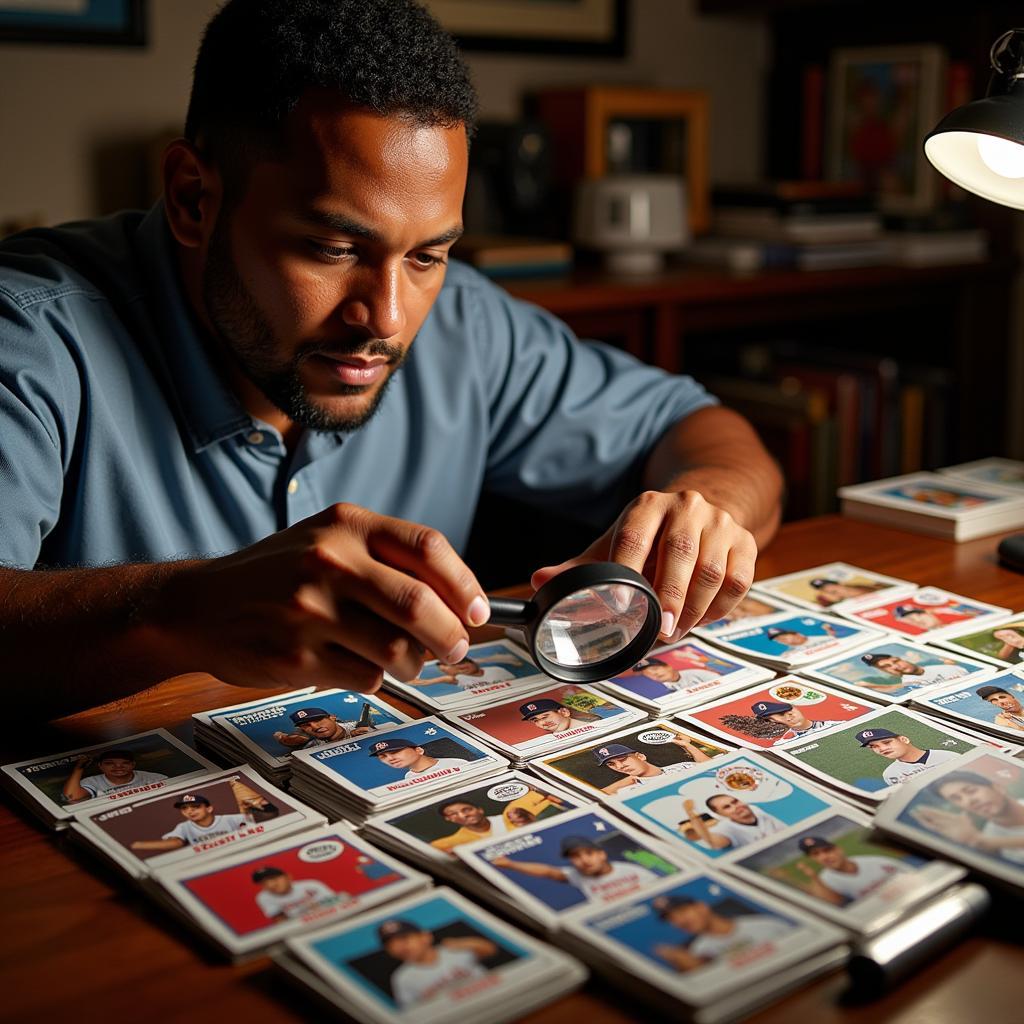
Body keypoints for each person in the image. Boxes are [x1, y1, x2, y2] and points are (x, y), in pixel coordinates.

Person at [0, 0, 782, 719]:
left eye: (428, 255)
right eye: (334, 248)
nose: (388, 318)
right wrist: (183, 612)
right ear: (193, 198)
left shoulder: (469, 323)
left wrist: (703, 512)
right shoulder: (29, 337)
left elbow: (704, 430)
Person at [489, 834, 661, 902]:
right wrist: (510, 864)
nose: (584, 860)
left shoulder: (632, 871)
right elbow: (549, 871)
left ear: (602, 854)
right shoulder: (577, 875)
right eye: (575, 856)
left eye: (588, 853)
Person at [651, 895, 791, 972]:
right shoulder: (698, 954)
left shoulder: (766, 924)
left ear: (702, 907)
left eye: (682, 912)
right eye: (671, 919)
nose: (680, 921)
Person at [377, 918, 496, 1009]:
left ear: (425, 936)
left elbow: (490, 950)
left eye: (404, 938)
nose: (399, 946)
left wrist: (466, 942)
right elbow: (411, 1013)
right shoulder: (402, 978)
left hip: (490, 1000)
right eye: (390, 944)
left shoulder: (453, 949)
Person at [912, 770, 1024, 864]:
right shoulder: (989, 838)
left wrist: (982, 841)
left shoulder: (987, 841)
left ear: (998, 787)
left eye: (971, 791)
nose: (968, 801)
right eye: (957, 799)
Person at [785, 835, 913, 905]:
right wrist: (814, 878)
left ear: (838, 849)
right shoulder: (825, 881)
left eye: (827, 850)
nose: (824, 857)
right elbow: (833, 904)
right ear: (813, 859)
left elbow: (912, 875)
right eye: (816, 854)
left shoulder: (873, 861)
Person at [429, 790, 565, 853]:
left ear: (480, 810)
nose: (462, 815)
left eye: (466, 810)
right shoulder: (447, 843)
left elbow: (550, 797)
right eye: (453, 814)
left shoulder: (514, 811)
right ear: (449, 819)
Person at [129, 792, 269, 851]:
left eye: (195, 807)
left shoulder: (229, 819)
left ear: (209, 808)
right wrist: (139, 844)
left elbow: (262, 819)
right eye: (185, 809)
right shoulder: (184, 827)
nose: (190, 811)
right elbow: (176, 842)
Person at [592, 739, 711, 795]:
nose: (619, 766)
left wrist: (687, 745)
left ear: (640, 757)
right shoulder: (630, 791)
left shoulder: (684, 766)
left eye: (622, 759)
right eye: (611, 764)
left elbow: (713, 767)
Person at [855, 727, 960, 786]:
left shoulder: (948, 756)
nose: (882, 749)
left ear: (904, 740)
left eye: (886, 742)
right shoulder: (890, 773)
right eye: (873, 746)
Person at [680, 794, 786, 850]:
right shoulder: (726, 829)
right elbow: (713, 842)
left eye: (735, 801)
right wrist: (692, 815)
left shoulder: (755, 809)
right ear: (720, 814)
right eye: (727, 807)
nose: (736, 807)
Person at [61, 748, 168, 803]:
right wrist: (79, 768)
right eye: (109, 763)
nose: (118, 767)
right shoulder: (92, 782)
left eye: (124, 763)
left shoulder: (154, 778)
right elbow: (71, 797)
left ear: (133, 765)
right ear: (100, 766)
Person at [251, 865, 336, 922]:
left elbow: (336, 902)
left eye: (273, 879)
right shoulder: (264, 897)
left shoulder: (311, 885)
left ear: (288, 877)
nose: (271, 885)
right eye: (264, 883)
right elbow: (281, 921)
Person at [858, 652, 969, 693]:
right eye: (887, 667)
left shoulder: (940, 664)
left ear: (901, 658)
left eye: (895, 661)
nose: (896, 666)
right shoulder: (909, 687)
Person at [404, 653, 523, 691]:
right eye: (454, 669)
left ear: (473, 662)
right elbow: (424, 682)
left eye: (460, 664)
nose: (460, 669)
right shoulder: (458, 678)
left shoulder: (497, 670)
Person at [272, 706, 371, 750]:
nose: (314, 727)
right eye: (306, 725)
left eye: (318, 720)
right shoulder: (309, 745)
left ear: (332, 718)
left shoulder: (356, 726)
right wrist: (281, 737)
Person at [369, 736, 469, 778]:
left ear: (419, 750)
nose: (390, 758)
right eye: (382, 756)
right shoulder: (409, 776)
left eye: (395, 752)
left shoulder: (456, 763)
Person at [749, 700, 844, 742]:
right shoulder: (783, 742)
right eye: (770, 720)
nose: (788, 717)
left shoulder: (837, 726)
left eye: (784, 712)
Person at [628, 653, 720, 689]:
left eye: (655, 669)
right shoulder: (666, 689)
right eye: (649, 674)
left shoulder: (695, 673)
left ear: (668, 666)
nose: (654, 674)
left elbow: (721, 681)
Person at [519, 698, 602, 733]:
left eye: (545, 716)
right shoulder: (550, 741)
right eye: (535, 720)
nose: (542, 722)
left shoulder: (597, 725)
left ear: (564, 712)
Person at [808, 577, 886, 607]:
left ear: (839, 584)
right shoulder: (846, 604)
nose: (829, 590)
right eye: (824, 590)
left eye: (829, 586)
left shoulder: (875, 585)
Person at [892, 604, 971, 632]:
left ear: (929, 612)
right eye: (910, 621)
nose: (917, 621)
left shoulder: (962, 621)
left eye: (917, 616)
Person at [765, 623, 838, 649]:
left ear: (795, 634)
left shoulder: (827, 638)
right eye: (777, 639)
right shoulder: (789, 654)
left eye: (782, 636)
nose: (780, 639)